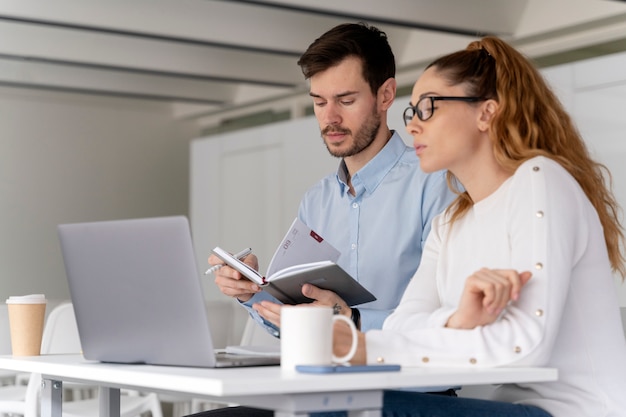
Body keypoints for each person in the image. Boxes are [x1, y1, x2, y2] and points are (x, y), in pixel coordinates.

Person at [329, 35, 626, 416]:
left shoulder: (540, 181)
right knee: (330, 404)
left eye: (428, 107)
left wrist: (365, 349)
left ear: (486, 113)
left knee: (346, 407)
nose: (414, 126)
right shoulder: (450, 222)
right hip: (508, 407)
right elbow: (398, 326)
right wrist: (457, 320)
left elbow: (524, 346)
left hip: (576, 411)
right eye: (412, 112)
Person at [190, 22, 455, 417]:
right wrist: (254, 294)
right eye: (318, 101)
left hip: (407, 394)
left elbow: (452, 321)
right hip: (321, 389)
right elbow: (301, 319)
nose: (329, 118)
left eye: (345, 100)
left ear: (385, 95)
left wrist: (348, 318)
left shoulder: (435, 184)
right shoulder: (317, 200)